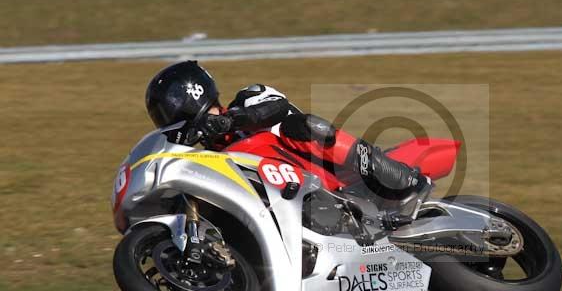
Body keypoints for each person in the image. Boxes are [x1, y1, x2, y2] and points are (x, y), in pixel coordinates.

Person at [145, 61, 429, 217]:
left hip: (334, 178)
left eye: (167, 107)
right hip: (297, 207)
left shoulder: (247, 97)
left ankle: (402, 179)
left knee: (304, 125)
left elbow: (277, 108)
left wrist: (233, 120)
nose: (167, 115)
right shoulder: (211, 161)